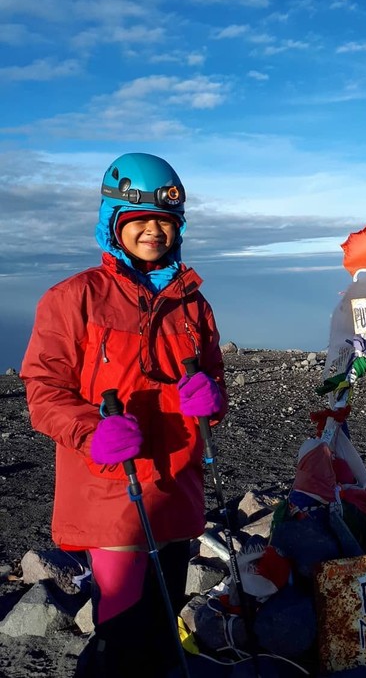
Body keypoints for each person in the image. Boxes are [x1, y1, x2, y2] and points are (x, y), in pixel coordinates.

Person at [21, 153, 228, 677]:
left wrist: (211, 399)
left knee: (163, 623)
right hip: (113, 489)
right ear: (114, 223)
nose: (154, 232)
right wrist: (92, 431)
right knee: (121, 633)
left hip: (178, 487)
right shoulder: (74, 298)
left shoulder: (193, 303)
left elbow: (214, 376)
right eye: (141, 221)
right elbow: (44, 390)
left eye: (164, 221)